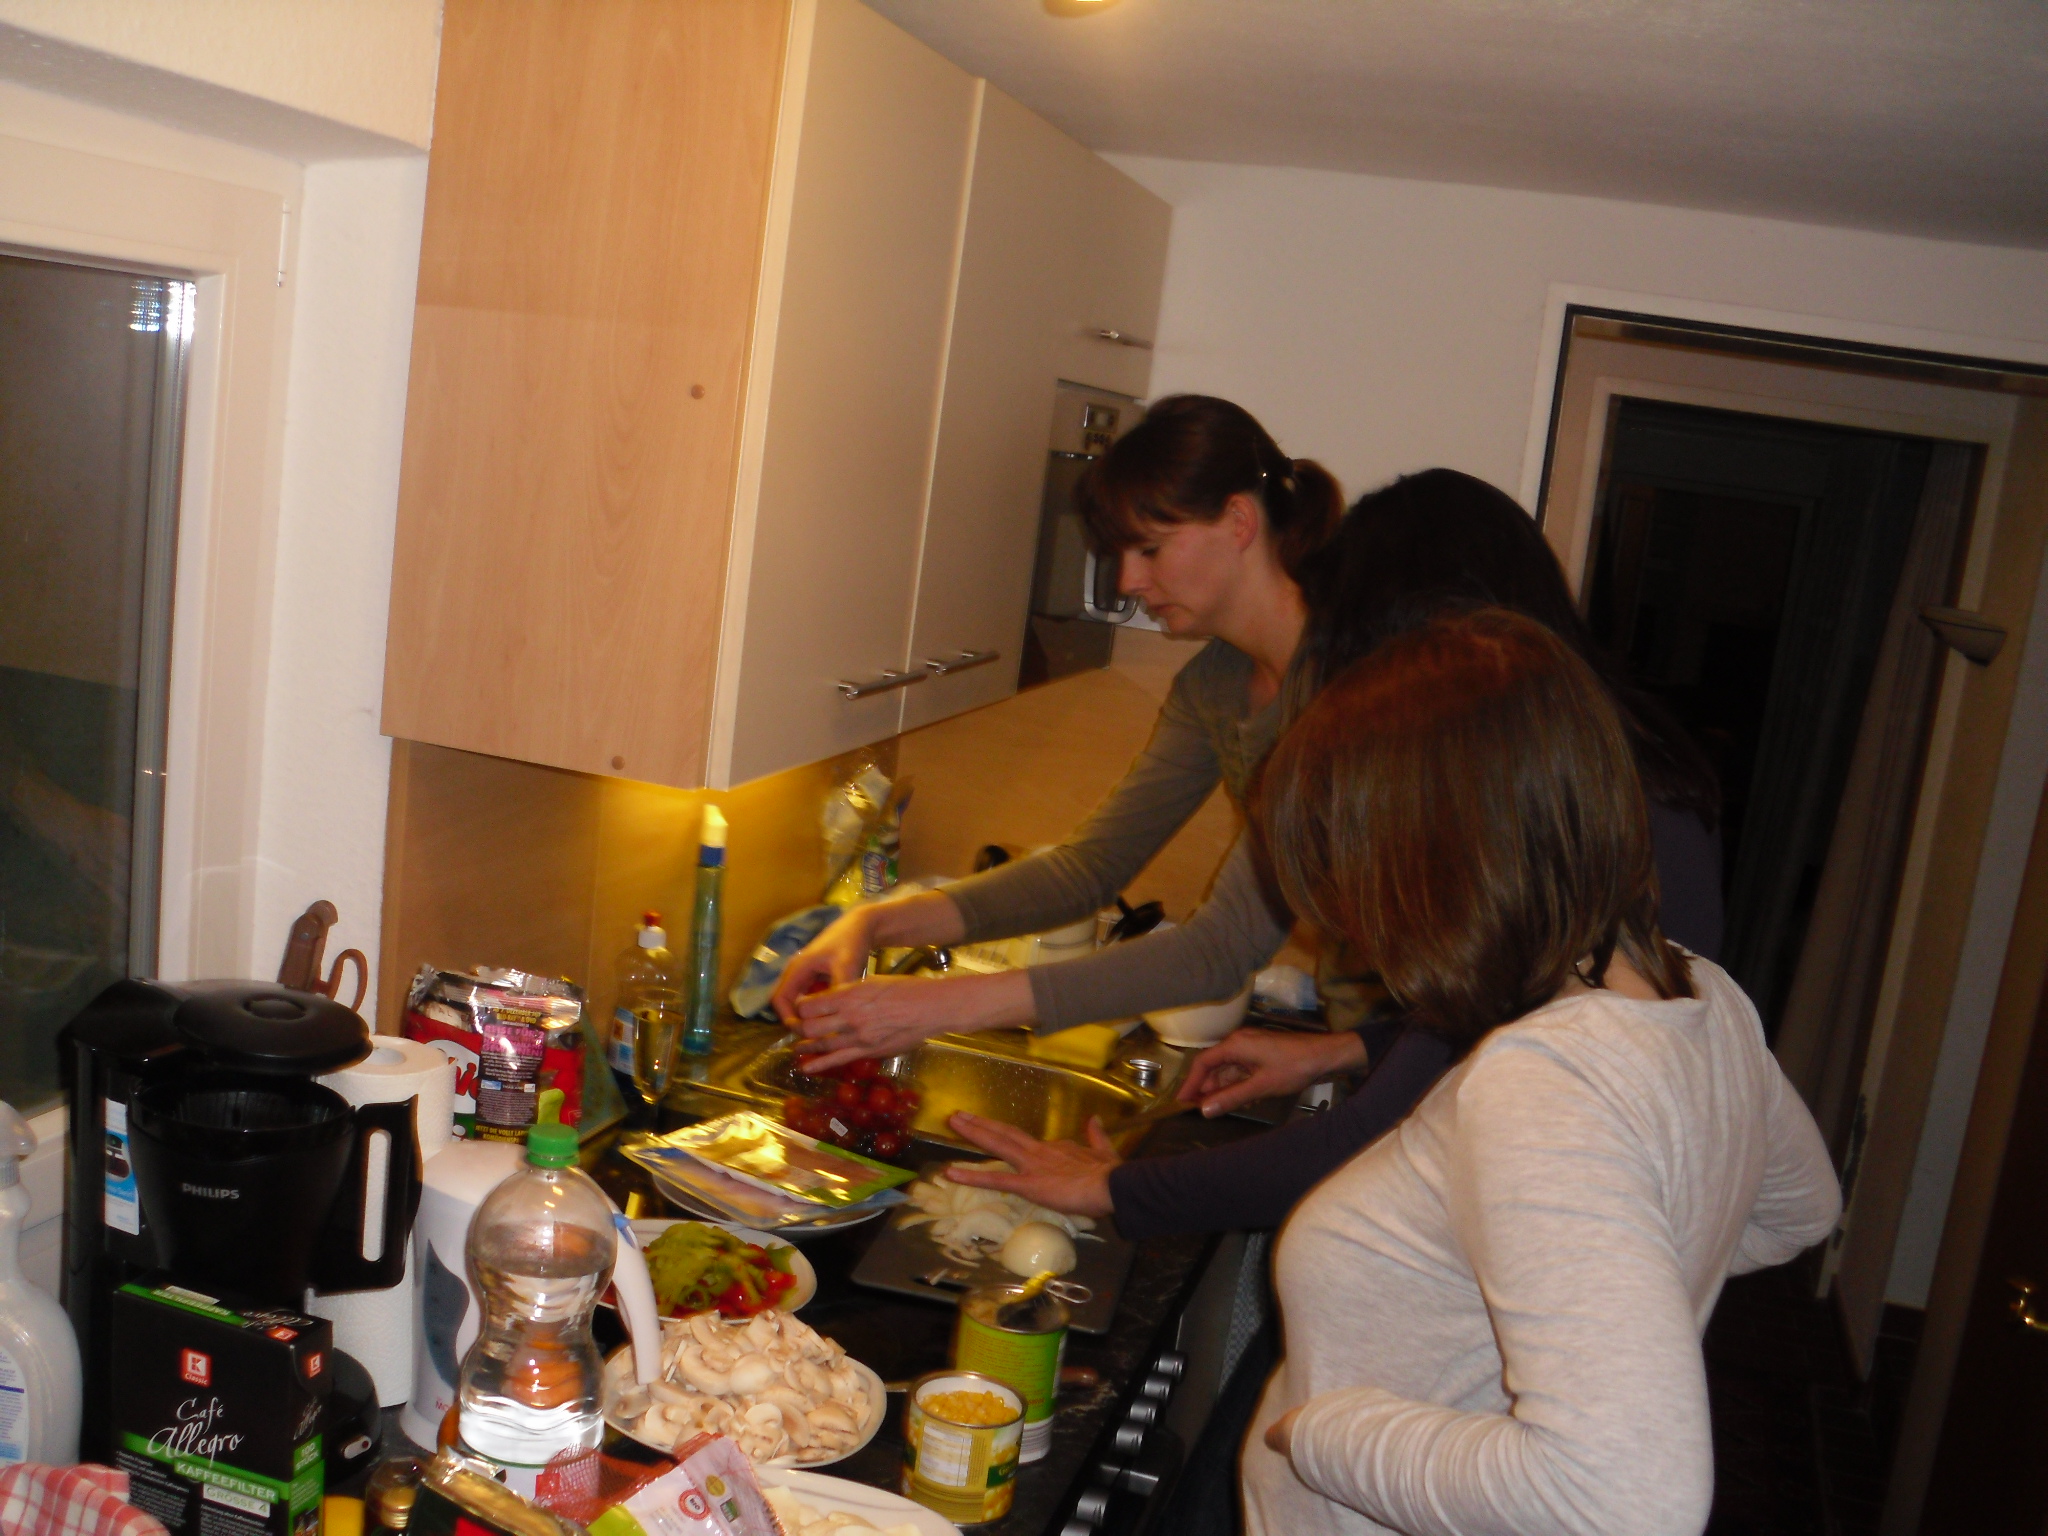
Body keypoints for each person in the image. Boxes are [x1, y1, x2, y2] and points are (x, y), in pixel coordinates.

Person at [946, 469, 1726, 1241]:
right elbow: (1500, 1015)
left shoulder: (1589, 813)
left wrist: (1116, 1188)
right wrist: (1347, 1049)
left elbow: (1375, 1134)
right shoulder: (1586, 768)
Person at [1234, 608, 1837, 1536]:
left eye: (1357, 881)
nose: (1351, 929)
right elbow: (1801, 1209)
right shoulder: (1703, 997)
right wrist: (1595, 1308)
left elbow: (1631, 1502)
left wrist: (1320, 1436)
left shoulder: (1544, 1086)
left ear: (1439, 861)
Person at [772, 395, 1343, 1068]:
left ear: (1239, 520)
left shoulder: (1343, 691)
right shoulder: (1215, 684)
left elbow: (1219, 951)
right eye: (1121, 554)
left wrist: (943, 1005)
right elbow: (1089, 871)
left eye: (1150, 549)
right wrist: (874, 922)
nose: (1129, 580)